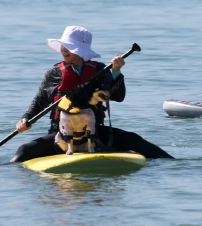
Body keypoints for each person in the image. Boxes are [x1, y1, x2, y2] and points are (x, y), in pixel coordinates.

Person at [9, 26, 174, 162]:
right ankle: (5, 170)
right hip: (61, 134)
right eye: (63, 45)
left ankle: (174, 165)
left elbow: (117, 96)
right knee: (24, 150)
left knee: (135, 140)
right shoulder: (54, 73)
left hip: (95, 132)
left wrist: (116, 72)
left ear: (80, 50)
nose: (63, 49)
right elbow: (40, 101)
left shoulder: (100, 70)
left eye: (69, 46)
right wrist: (25, 119)